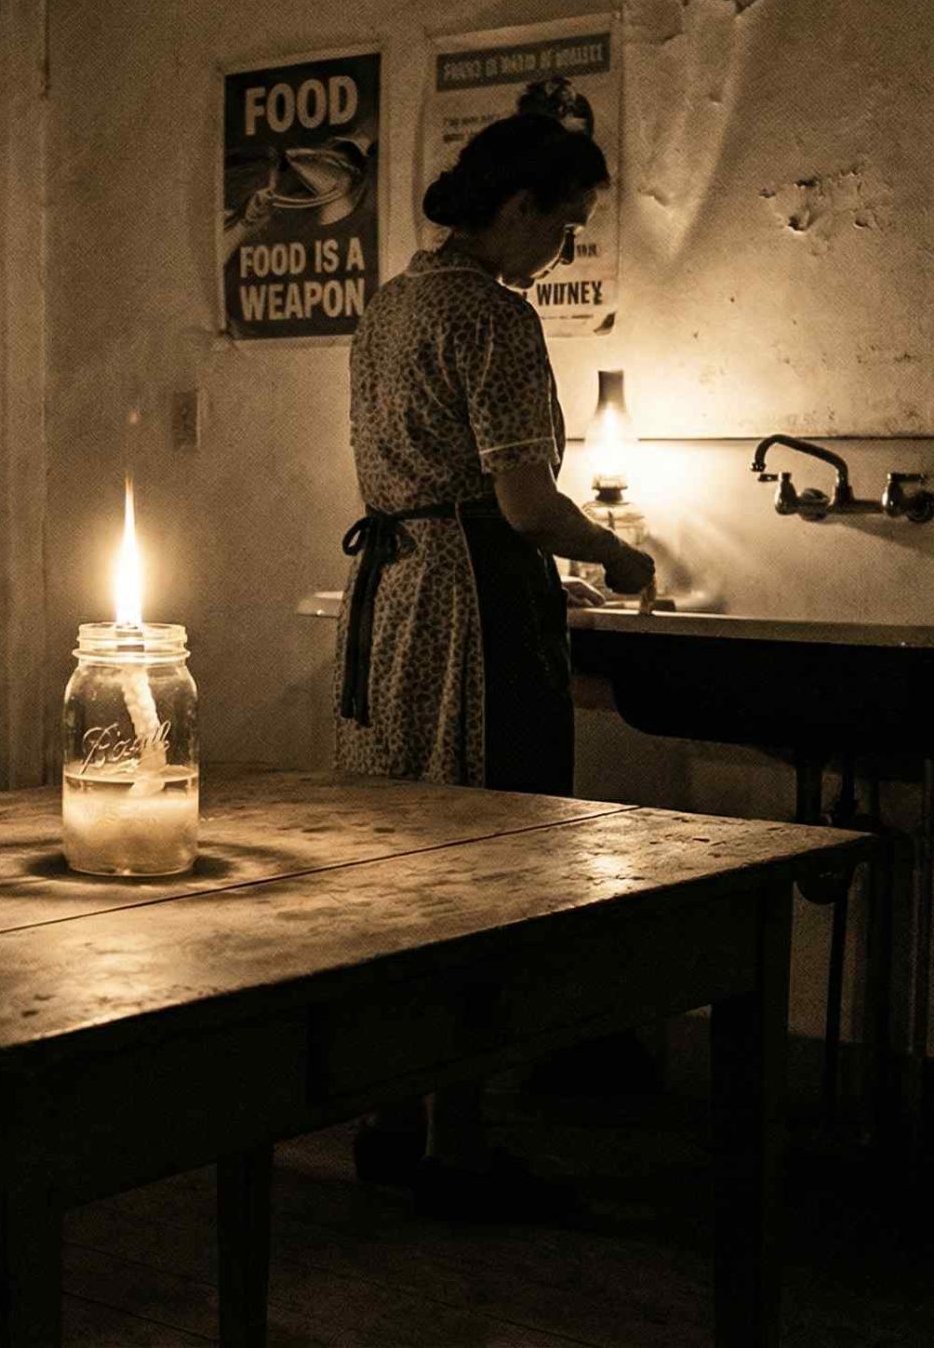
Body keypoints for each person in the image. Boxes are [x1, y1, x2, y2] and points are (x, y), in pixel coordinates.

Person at [333, 111, 654, 1213]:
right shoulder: (493, 318)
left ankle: (387, 1116)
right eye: (561, 224)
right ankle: (460, 1144)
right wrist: (616, 552)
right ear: (514, 208)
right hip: (473, 608)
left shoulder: (388, 308)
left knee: (395, 869)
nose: (558, 249)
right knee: (487, 865)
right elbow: (521, 505)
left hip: (394, 600)